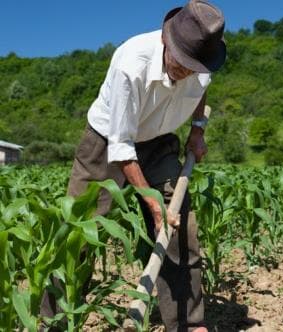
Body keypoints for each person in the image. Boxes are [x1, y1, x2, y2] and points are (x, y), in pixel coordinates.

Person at [40, 1, 226, 331]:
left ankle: (187, 323)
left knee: (180, 227)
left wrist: (197, 129)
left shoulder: (204, 59)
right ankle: (54, 323)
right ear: (167, 41)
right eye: (181, 62)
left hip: (160, 140)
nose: (185, 70)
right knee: (79, 233)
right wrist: (153, 206)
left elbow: (201, 89)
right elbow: (122, 148)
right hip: (107, 142)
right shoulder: (131, 62)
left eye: (192, 66)